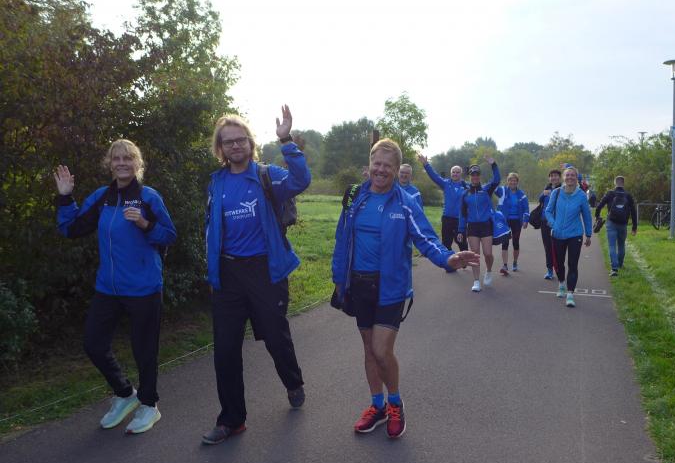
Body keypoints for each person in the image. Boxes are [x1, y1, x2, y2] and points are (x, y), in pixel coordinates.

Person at [332, 139, 478, 439]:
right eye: (377, 163)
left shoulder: (405, 202)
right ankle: (377, 406)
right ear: (369, 164)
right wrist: (339, 278)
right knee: (369, 350)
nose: (381, 170)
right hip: (359, 284)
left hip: (391, 286)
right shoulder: (355, 197)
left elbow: (426, 238)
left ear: (397, 170)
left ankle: (395, 403)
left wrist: (448, 258)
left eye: (388, 165)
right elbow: (342, 238)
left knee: (381, 350)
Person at [202, 107, 311, 445]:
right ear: (221, 148)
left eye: (241, 140)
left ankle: (292, 382)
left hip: (265, 269)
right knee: (225, 350)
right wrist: (213, 271)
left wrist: (286, 140)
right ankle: (231, 419)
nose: (235, 146)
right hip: (228, 273)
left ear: (250, 143)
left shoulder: (267, 176)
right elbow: (211, 228)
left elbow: (301, 181)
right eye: (228, 142)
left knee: (276, 337)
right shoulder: (217, 182)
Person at [55, 139, 176, 434]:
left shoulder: (148, 197)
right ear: (109, 163)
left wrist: (145, 224)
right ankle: (124, 394)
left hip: (144, 288)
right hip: (108, 288)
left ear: (137, 164)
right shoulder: (102, 197)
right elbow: (71, 229)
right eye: (116, 158)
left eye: (128, 158)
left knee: (144, 350)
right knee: (93, 344)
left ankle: (149, 405)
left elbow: (169, 235)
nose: (122, 163)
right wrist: (65, 198)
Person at [544, 166, 592, 308]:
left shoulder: (581, 195)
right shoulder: (556, 192)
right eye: (568, 175)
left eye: (573, 175)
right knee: (559, 263)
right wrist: (554, 224)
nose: (570, 177)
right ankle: (561, 283)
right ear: (564, 177)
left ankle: (570, 294)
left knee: (572, 264)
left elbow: (587, 216)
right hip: (558, 234)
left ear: (576, 178)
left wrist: (588, 234)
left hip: (575, 234)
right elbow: (548, 211)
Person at [456, 156, 501, 292]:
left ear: (479, 176)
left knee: (488, 254)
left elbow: (497, 180)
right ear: (470, 176)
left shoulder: (486, 189)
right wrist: (460, 230)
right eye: (472, 175)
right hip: (473, 227)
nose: (475, 177)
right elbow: (462, 213)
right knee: (474, 254)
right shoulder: (465, 194)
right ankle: (476, 281)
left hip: (486, 225)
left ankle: (488, 271)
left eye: (477, 174)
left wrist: (493, 164)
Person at [418, 154, 468, 252]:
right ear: (451, 173)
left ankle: (466, 258)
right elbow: (434, 176)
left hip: (460, 220)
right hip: (447, 218)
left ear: (461, 174)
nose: (455, 174)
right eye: (453, 172)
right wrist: (426, 164)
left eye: (457, 172)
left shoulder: (466, 186)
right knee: (446, 244)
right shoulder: (446, 183)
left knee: (461, 243)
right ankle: (449, 260)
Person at [595, 175, 638, 276]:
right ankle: (620, 264)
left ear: (615, 183)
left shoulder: (610, 193)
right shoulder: (628, 195)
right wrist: (634, 227)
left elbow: (599, 206)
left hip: (611, 222)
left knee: (612, 245)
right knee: (621, 245)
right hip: (623, 223)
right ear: (623, 183)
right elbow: (633, 212)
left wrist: (597, 216)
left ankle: (614, 269)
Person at [493, 172, 530, 274]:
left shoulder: (521, 194)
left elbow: (526, 208)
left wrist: (526, 220)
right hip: (505, 221)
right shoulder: (502, 191)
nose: (512, 182)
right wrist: (494, 169)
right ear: (507, 181)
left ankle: (515, 262)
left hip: (517, 221)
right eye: (510, 180)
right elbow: (493, 186)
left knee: (515, 242)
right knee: (505, 242)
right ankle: (505, 265)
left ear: (517, 182)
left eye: (514, 180)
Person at [538, 169, 562, 280]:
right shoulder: (547, 188)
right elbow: (540, 200)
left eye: (556, 175)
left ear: (560, 177)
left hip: (558, 222)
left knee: (558, 247)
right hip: (545, 221)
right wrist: (543, 194)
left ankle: (559, 269)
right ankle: (549, 270)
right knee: (547, 247)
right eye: (551, 176)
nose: (553, 178)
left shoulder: (563, 189)